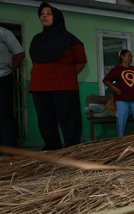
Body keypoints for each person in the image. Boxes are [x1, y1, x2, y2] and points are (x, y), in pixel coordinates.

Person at [29, 2, 87, 150]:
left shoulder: (70, 40)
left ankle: (72, 149)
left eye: (48, 13)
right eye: (42, 14)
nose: (44, 16)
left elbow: (81, 61)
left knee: (69, 121)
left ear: (57, 16)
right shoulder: (37, 40)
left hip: (64, 87)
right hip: (39, 88)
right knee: (45, 122)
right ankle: (52, 148)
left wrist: (66, 76)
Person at [103, 49, 134, 137]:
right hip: (121, 99)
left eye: (131, 56)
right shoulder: (116, 69)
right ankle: (121, 139)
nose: (130, 58)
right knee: (122, 119)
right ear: (122, 57)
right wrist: (114, 88)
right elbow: (106, 80)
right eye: (129, 56)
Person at [0, 27, 25, 147]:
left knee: (5, 113)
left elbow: (20, 54)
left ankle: (12, 150)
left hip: (3, 77)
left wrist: (11, 71)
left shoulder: (4, 33)